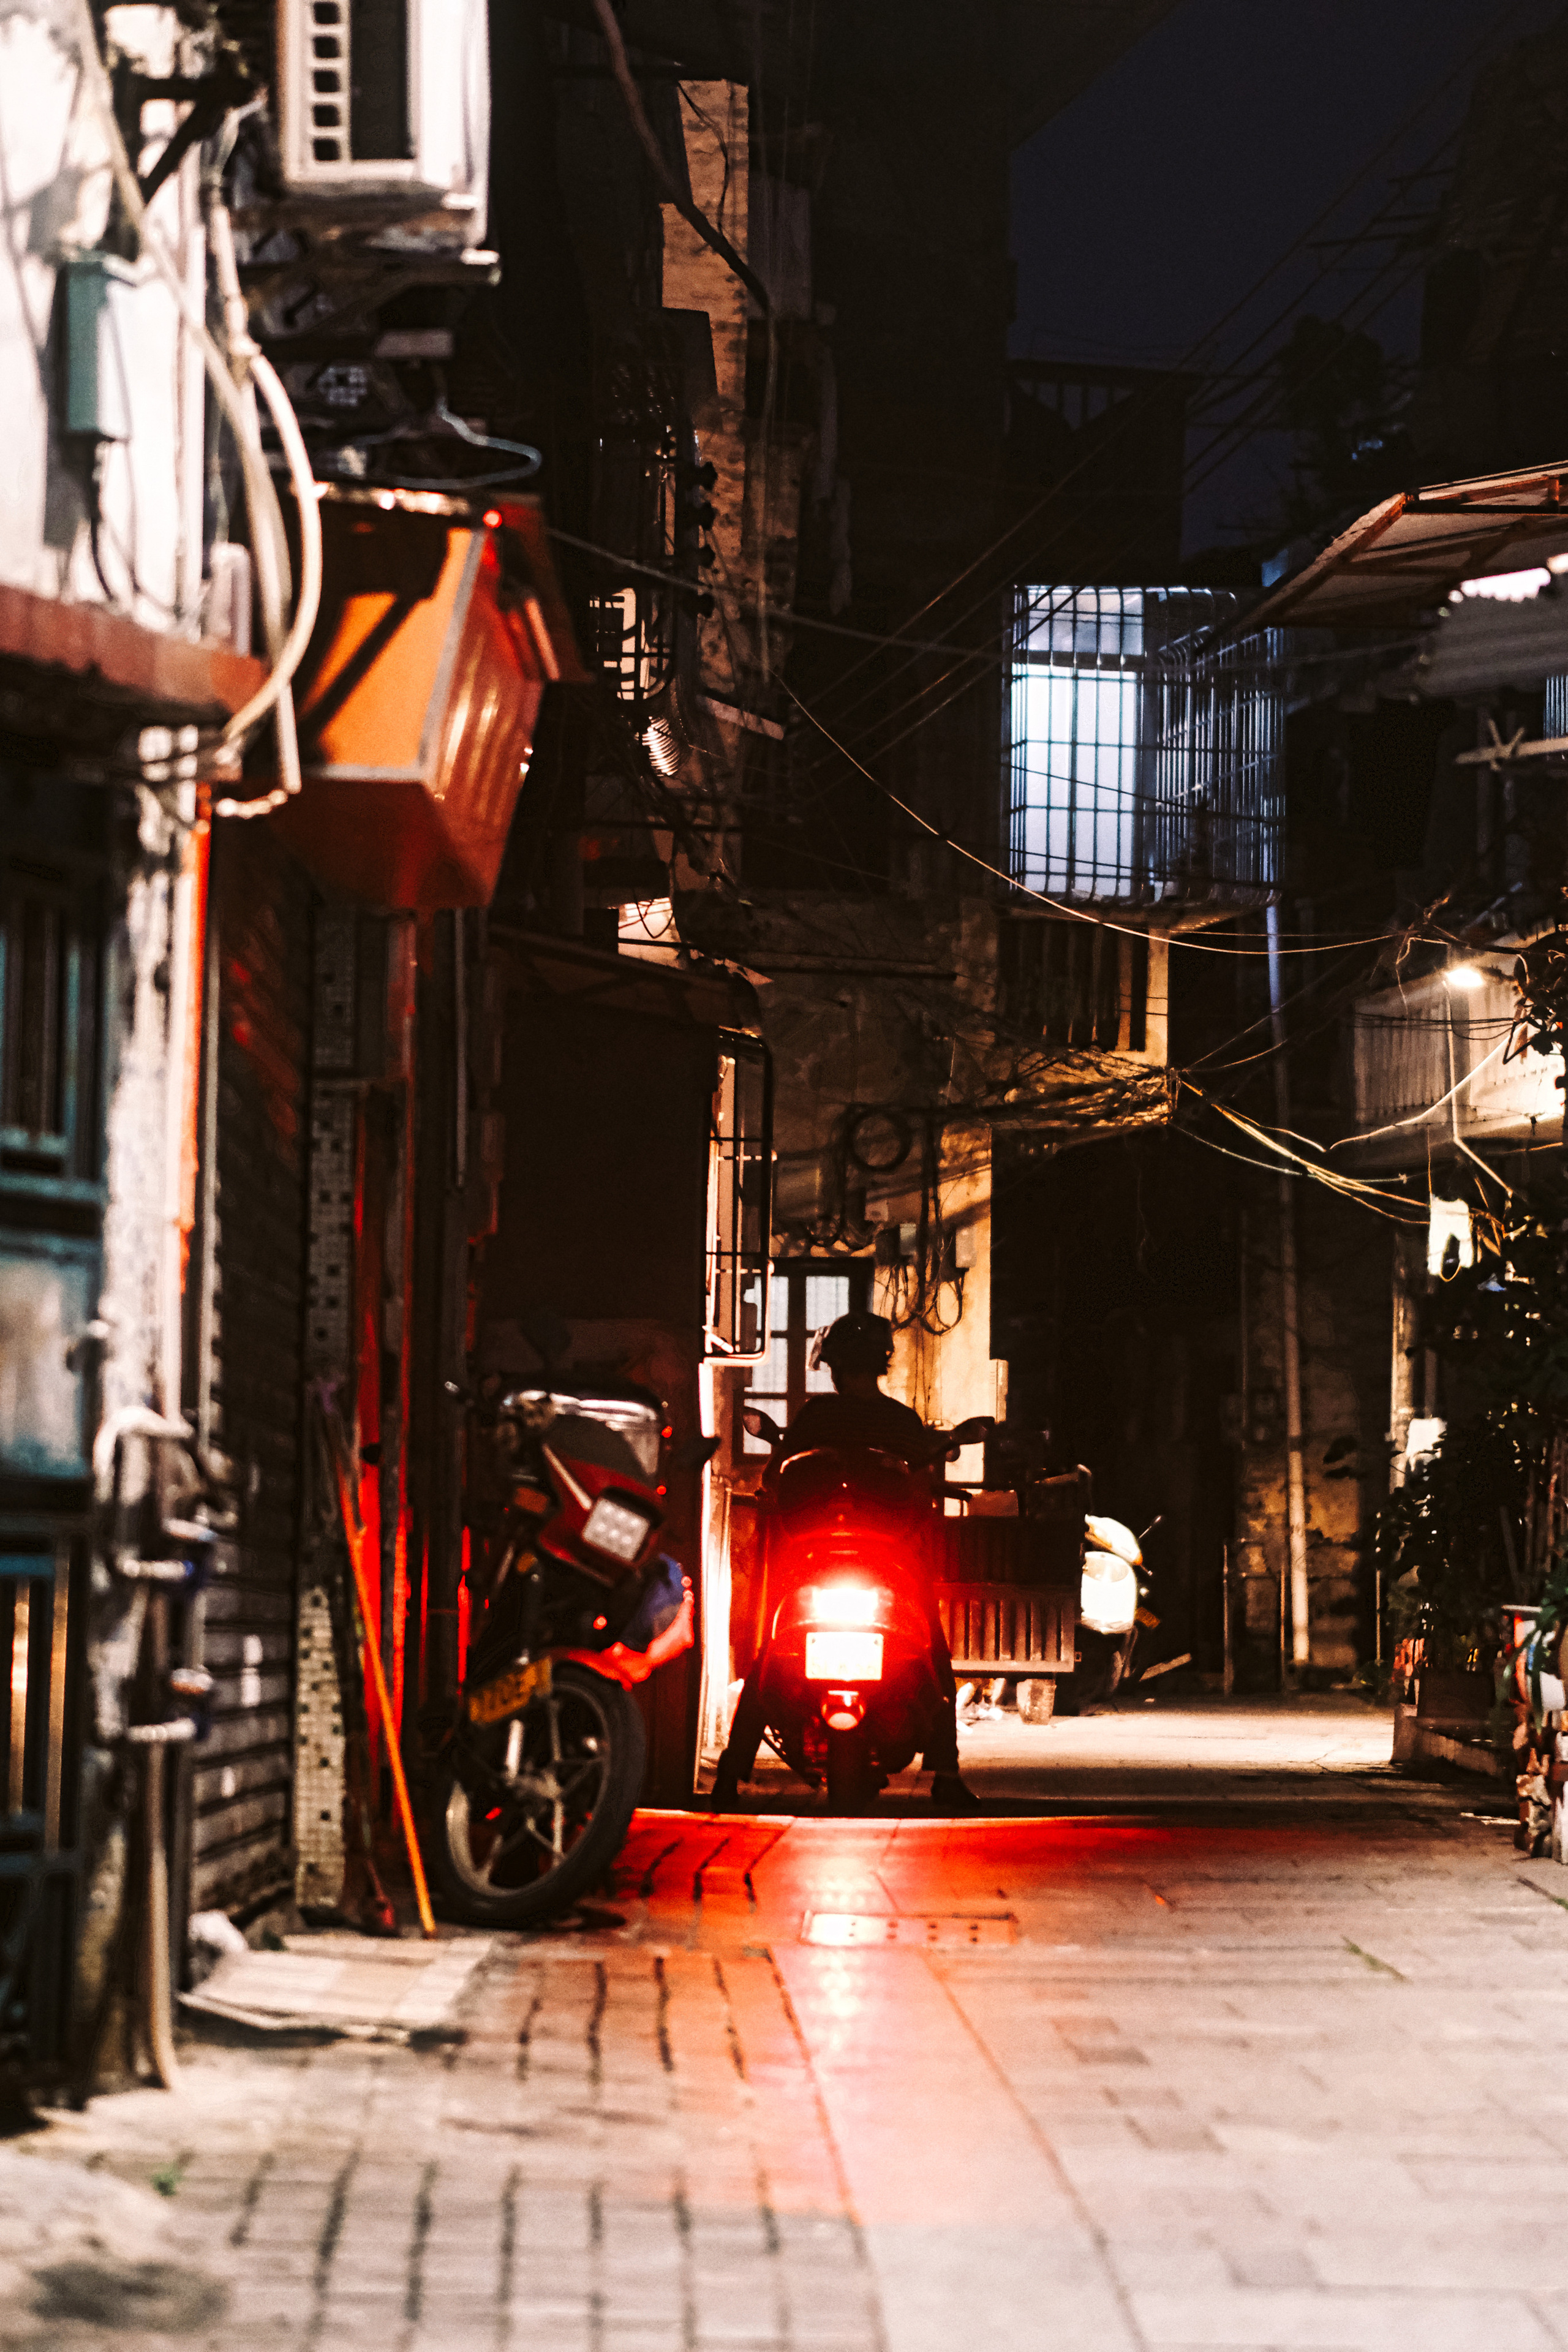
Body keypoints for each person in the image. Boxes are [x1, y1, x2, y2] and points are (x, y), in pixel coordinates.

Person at [712, 1311, 977, 1813]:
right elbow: (921, 1490)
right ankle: (946, 1773)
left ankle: (731, 1772)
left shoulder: (818, 1417)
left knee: (768, 1655)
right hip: (885, 1561)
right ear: (881, 1364)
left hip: (819, 1558)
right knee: (932, 1652)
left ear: (831, 1365)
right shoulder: (900, 1421)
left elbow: (777, 1476)